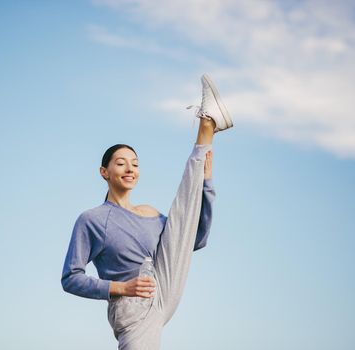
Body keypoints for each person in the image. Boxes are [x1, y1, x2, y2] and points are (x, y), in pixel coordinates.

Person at [61, 74, 233, 349]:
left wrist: (206, 185)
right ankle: (207, 126)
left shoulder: (150, 214)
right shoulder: (92, 220)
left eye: (135, 164)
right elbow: (71, 278)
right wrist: (119, 288)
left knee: (180, 217)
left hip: (163, 285)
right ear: (104, 172)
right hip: (133, 303)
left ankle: (207, 128)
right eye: (121, 163)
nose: (130, 169)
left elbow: (193, 238)